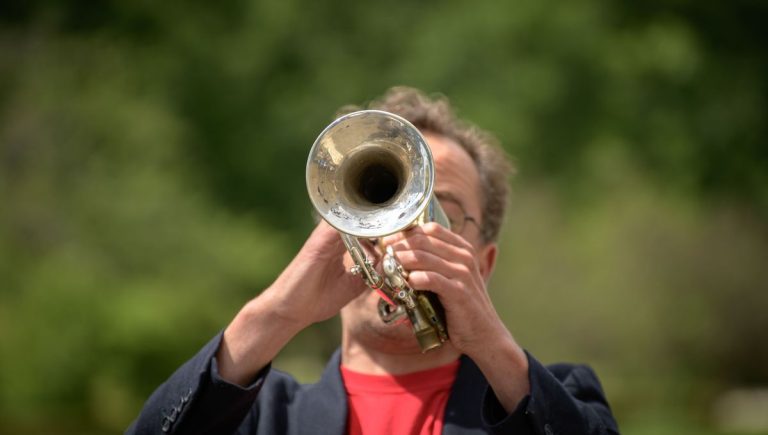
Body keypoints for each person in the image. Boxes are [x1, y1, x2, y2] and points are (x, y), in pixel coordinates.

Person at [127, 87, 619, 434]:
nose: (400, 232)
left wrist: (493, 347)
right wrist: (274, 314)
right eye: (378, 205)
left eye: (441, 213)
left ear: (483, 265)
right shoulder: (261, 415)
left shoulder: (555, 394)